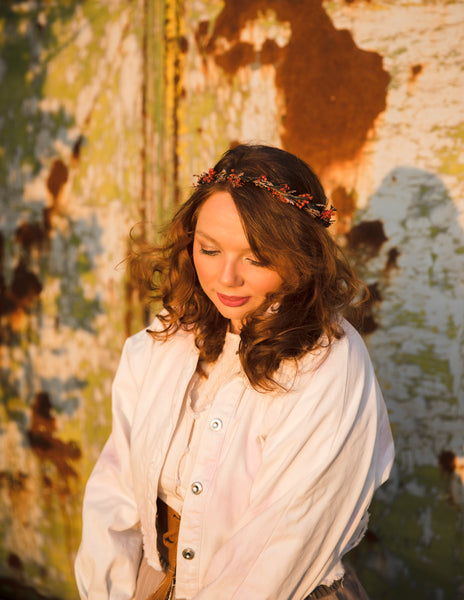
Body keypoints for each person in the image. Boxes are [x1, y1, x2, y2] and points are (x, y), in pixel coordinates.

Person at [75, 144, 394, 600]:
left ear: (301, 256)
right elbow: (115, 487)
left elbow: (278, 553)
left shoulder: (330, 366)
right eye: (209, 249)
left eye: (257, 258)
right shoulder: (168, 338)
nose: (226, 277)